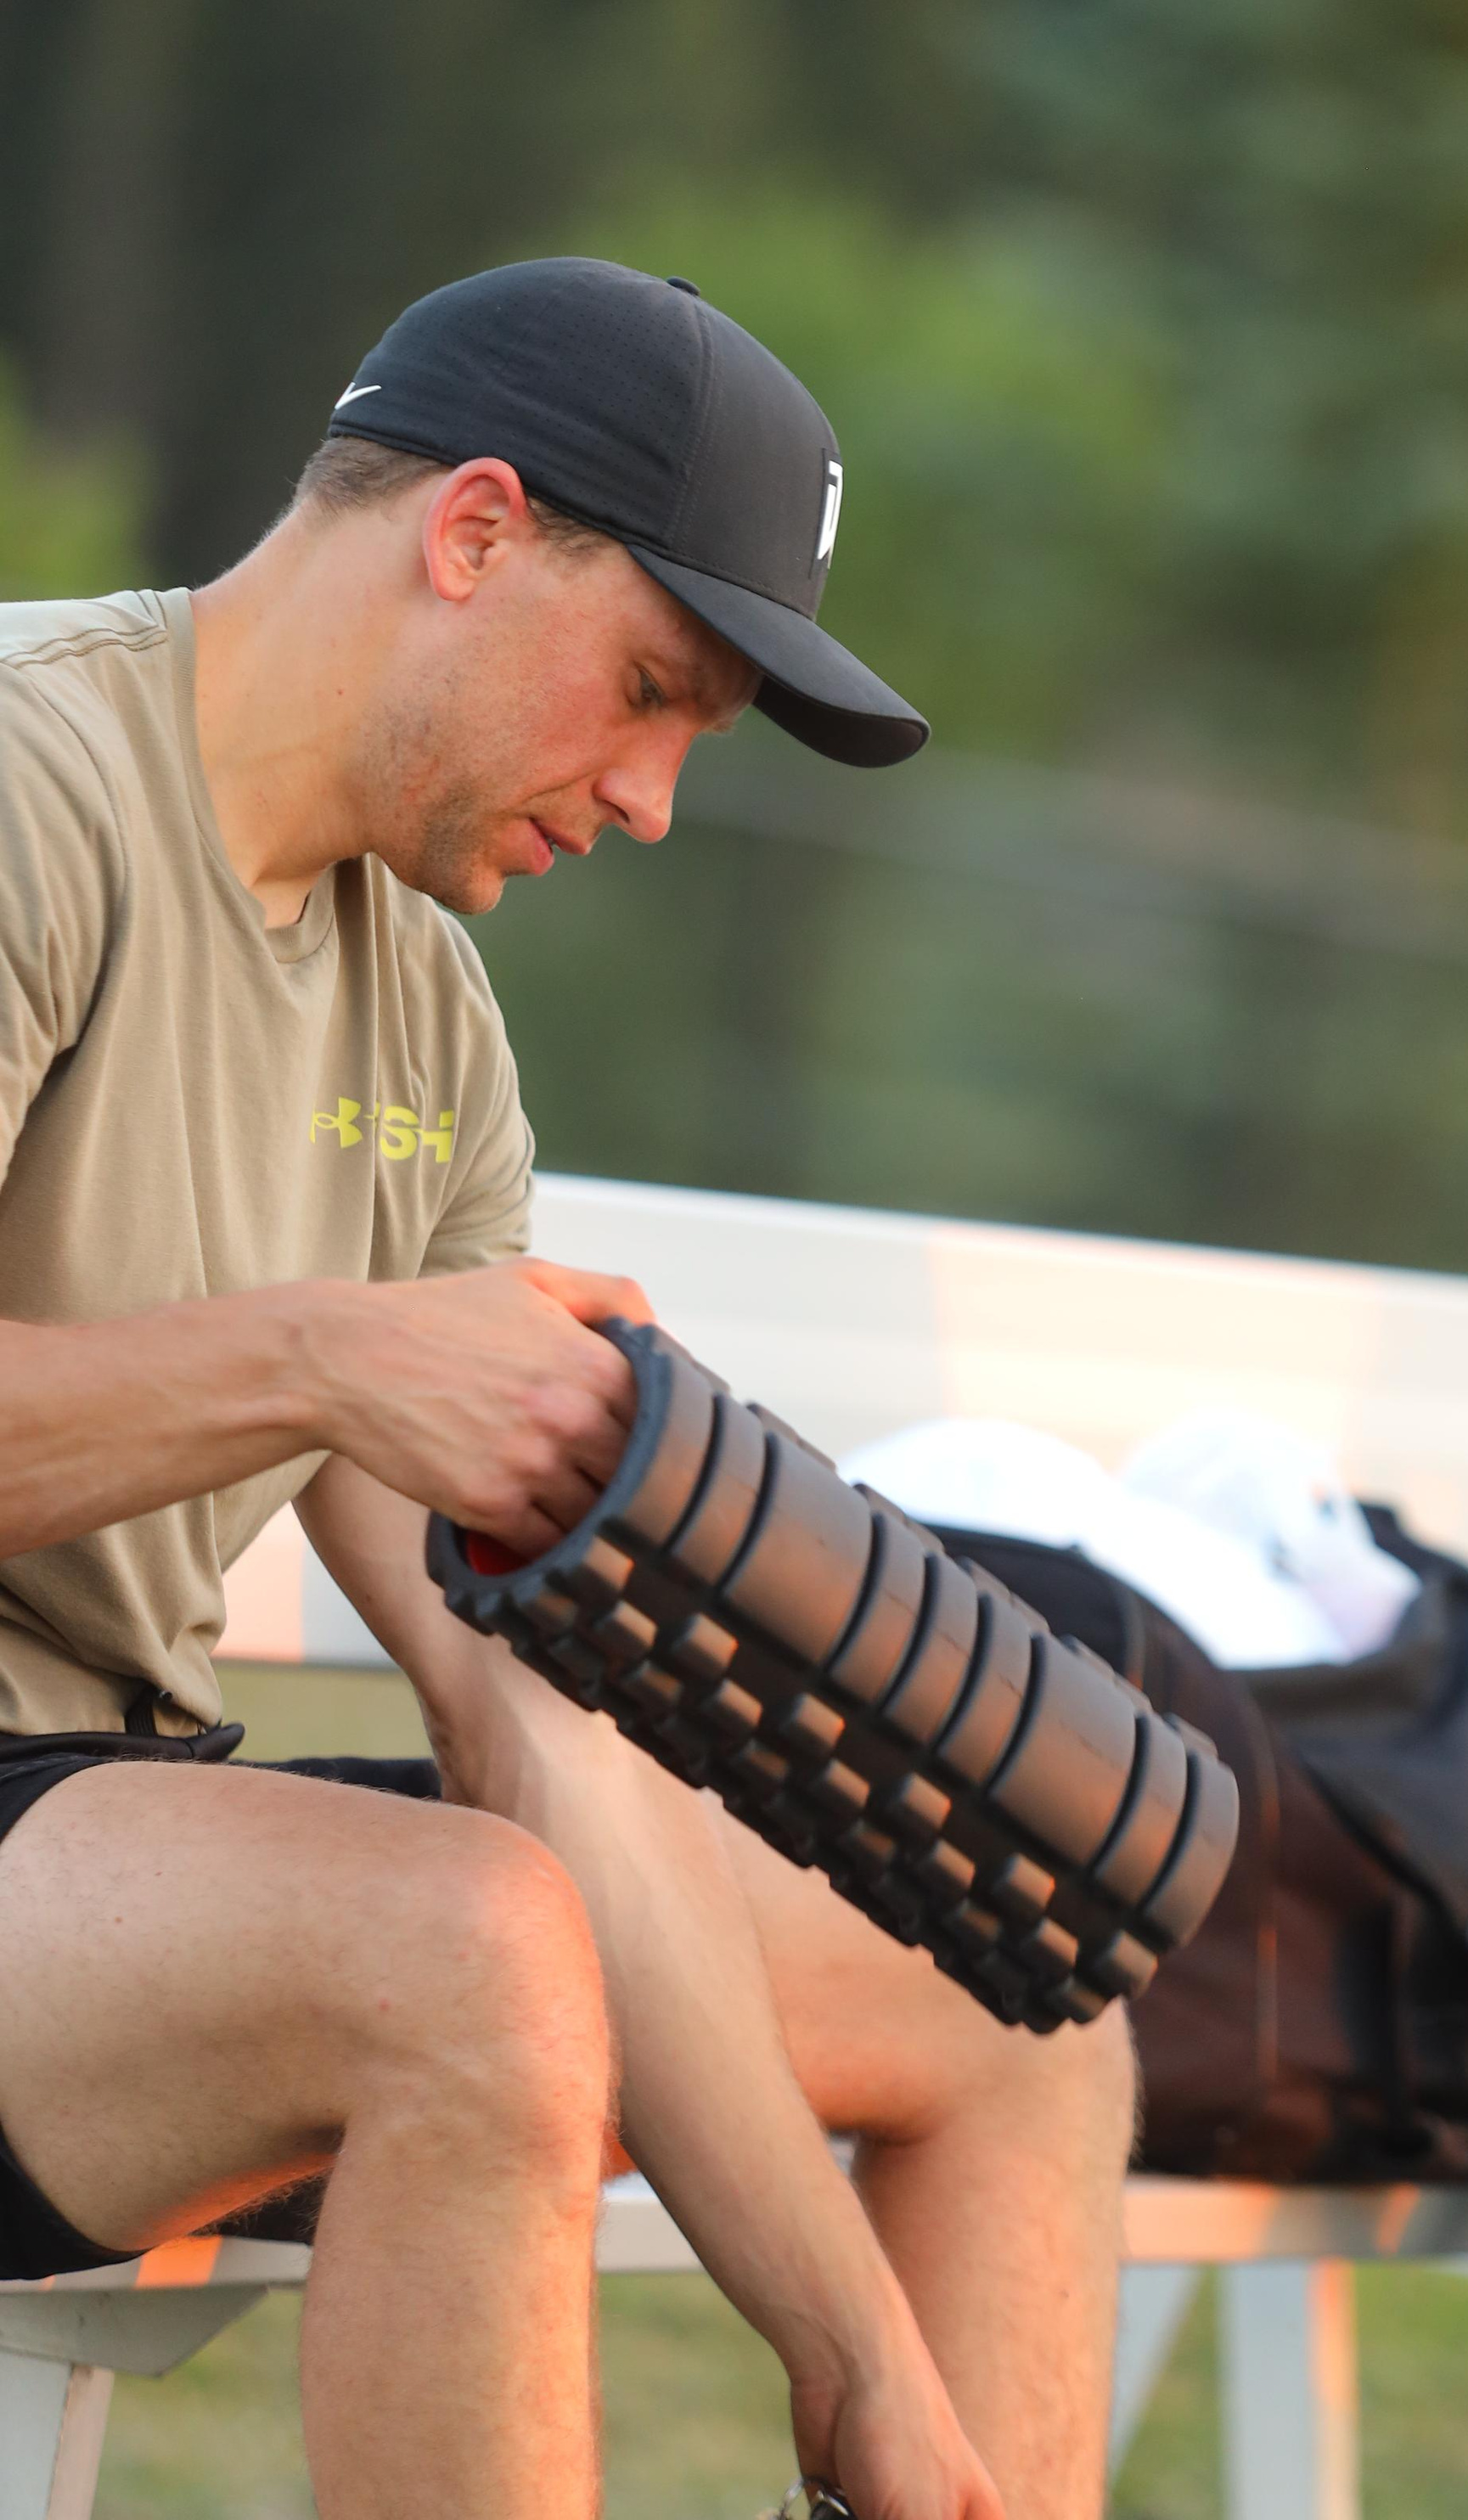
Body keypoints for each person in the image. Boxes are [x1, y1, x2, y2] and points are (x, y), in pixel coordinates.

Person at [0, 260, 1135, 2520]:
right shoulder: (32, 787)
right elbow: (352, 1418)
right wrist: (333, 1352)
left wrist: (861, 2373)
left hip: (109, 1850)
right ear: (473, 532)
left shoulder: (428, 1024)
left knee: (1013, 1993)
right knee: (470, 1950)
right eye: (647, 693)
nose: (648, 802)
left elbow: (528, 1731)